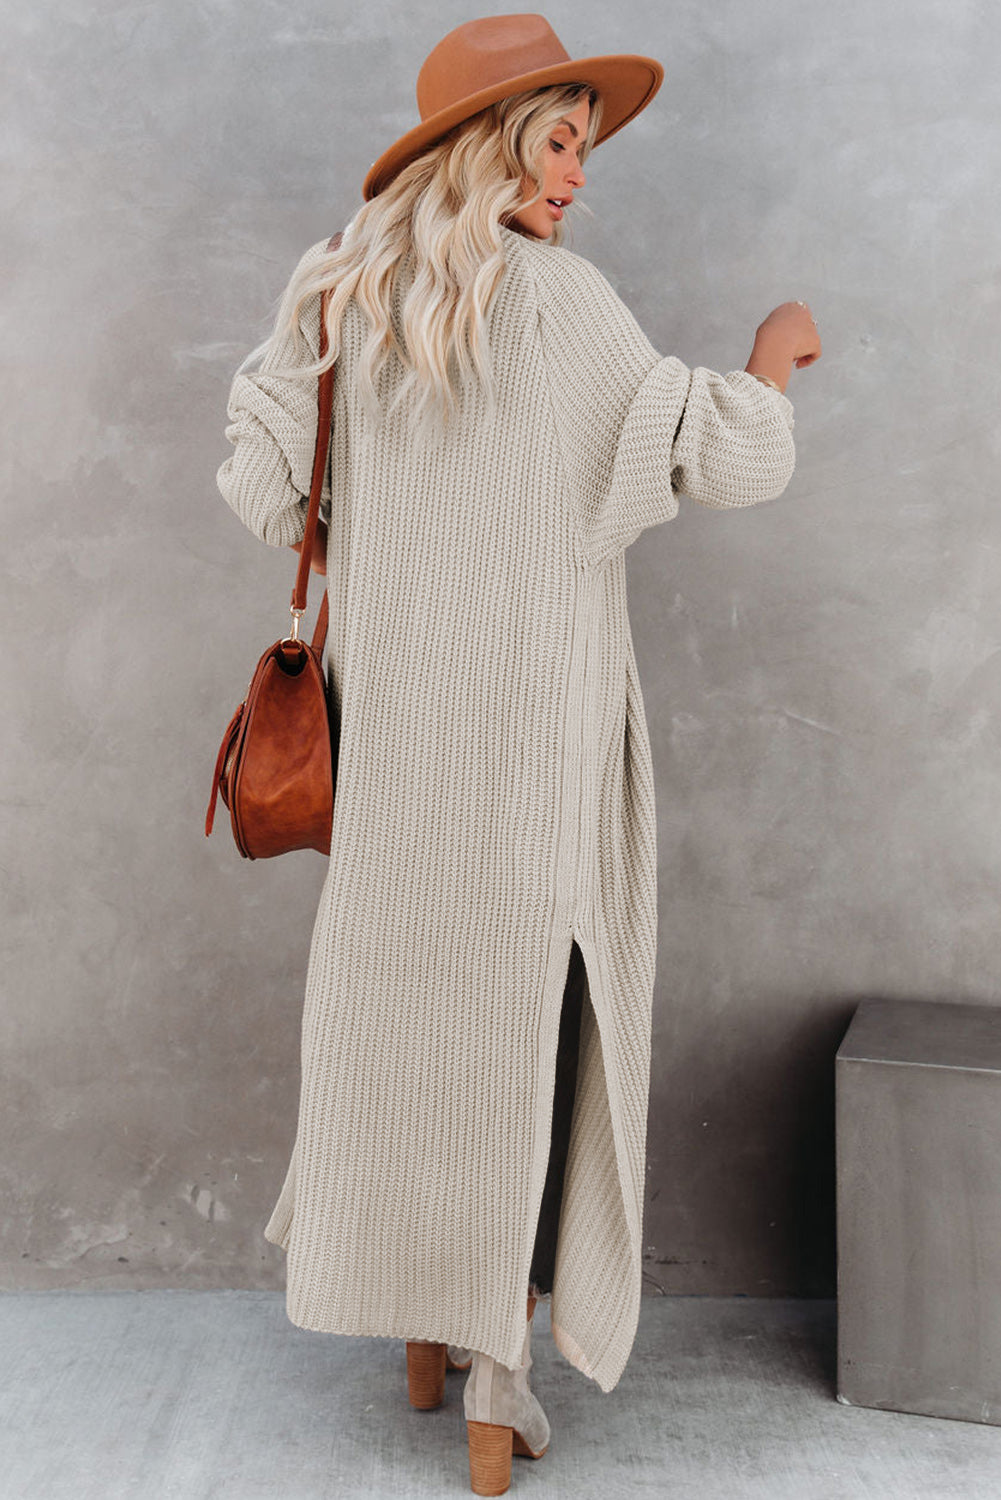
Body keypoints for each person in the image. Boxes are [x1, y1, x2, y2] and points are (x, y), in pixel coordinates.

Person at [215, 13, 820, 1496]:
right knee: (522, 1039)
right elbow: (714, 451)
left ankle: (425, 1341)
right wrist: (774, 357)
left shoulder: (343, 292)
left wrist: (305, 320)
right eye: (559, 141)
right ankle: (496, 1383)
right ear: (488, 145)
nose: (577, 175)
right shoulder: (563, 307)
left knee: (410, 1032)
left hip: (396, 750)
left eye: (582, 148)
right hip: (534, 743)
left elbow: (264, 493)